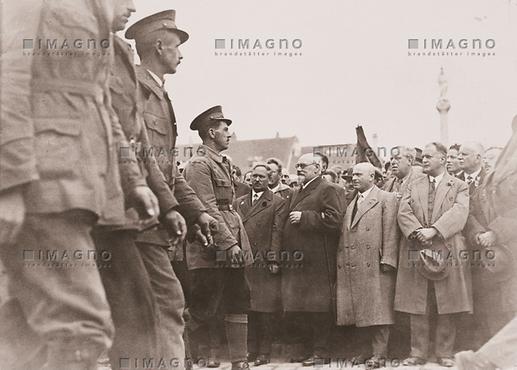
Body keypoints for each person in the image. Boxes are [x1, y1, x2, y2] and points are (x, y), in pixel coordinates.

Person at [0, 1, 159, 369]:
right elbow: (6, 79)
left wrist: (132, 180)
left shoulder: (90, 10)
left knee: (29, 335)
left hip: (81, 185)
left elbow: (101, 104)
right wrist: (9, 182)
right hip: (42, 184)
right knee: (79, 328)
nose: (131, 3)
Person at [125, 10, 217, 366]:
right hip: (139, 218)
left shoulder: (159, 94)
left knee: (154, 308)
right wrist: (171, 208)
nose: (182, 54)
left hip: (156, 221)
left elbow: (170, 170)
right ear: (159, 45)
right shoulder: (134, 88)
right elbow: (141, 158)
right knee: (167, 304)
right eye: (177, 46)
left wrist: (197, 212)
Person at [183, 106, 253, 370]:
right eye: (225, 130)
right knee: (204, 306)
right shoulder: (199, 165)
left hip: (231, 242)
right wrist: (229, 243)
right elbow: (207, 208)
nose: (229, 134)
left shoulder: (223, 163)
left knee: (238, 299)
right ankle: (182, 357)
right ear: (211, 133)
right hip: (210, 247)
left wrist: (236, 244)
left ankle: (240, 362)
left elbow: (229, 208)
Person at [395, 142, 471, 367]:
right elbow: (403, 211)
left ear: (443, 159)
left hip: (446, 248)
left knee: (446, 301)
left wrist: (435, 230)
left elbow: (460, 212)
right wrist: (418, 232)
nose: (424, 161)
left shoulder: (458, 186)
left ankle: (444, 353)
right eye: (422, 157)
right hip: (416, 247)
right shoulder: (413, 185)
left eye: (429, 156)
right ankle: (417, 352)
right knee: (417, 301)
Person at [281, 153, 344, 366]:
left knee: (318, 309)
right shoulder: (300, 189)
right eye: (297, 165)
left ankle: (321, 352)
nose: (298, 169)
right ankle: (307, 349)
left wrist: (305, 217)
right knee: (302, 307)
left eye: (303, 166)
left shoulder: (327, 188)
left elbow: (336, 219)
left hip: (317, 260)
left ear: (317, 168)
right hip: (300, 261)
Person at [336, 163, 399, 368]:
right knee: (360, 311)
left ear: (372, 176)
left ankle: (379, 354)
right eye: (352, 175)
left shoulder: (386, 199)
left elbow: (391, 232)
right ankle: (364, 351)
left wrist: (388, 260)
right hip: (354, 265)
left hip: (376, 264)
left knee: (379, 312)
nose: (353, 178)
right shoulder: (351, 202)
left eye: (358, 174)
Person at [234, 163, 287, 366]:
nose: (257, 180)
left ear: (269, 179)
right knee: (248, 309)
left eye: (262, 177)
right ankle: (251, 350)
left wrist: (273, 258)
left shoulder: (277, 202)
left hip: (263, 262)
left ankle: (264, 352)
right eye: (254, 176)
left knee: (265, 310)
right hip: (244, 261)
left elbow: (277, 231)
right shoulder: (238, 202)